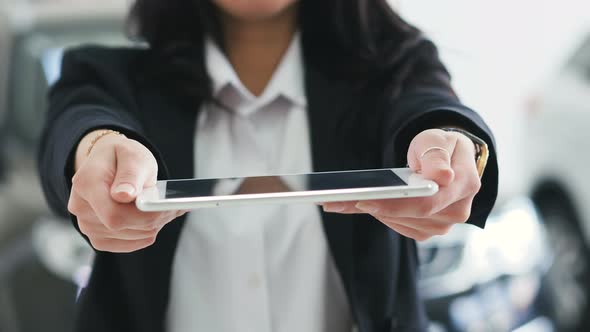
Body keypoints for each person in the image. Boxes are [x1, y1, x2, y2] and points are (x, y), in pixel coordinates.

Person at [38, 0, 498, 331]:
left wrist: (450, 145)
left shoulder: (393, 70)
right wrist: (97, 149)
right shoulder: (106, 75)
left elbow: (431, 108)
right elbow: (80, 122)